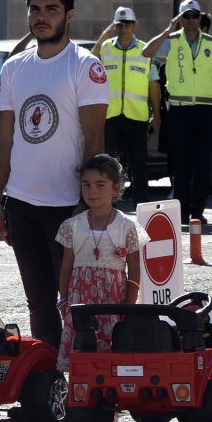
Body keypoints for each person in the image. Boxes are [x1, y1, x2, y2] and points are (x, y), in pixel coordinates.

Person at [0, 0, 110, 348]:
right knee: (38, 303)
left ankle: (85, 389)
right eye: (35, 9)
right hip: (22, 205)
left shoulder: (85, 66)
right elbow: (4, 137)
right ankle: (48, 390)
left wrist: (85, 204)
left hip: (67, 207)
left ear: (68, 15)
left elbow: (94, 141)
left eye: (51, 9)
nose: (42, 16)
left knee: (77, 304)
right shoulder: (14, 67)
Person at [143, 0, 212, 225]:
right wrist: (168, 30)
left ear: (200, 18)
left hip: (205, 110)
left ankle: (197, 211)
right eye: (186, 16)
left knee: (202, 162)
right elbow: (146, 52)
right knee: (180, 163)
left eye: (194, 16)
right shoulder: (171, 41)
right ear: (180, 19)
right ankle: (181, 213)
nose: (191, 20)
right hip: (179, 110)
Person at [56, 153, 141, 370]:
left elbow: (134, 267)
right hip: (80, 300)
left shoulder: (127, 226)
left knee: (111, 354)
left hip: (113, 300)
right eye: (87, 185)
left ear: (116, 188)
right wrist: (64, 299)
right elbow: (67, 265)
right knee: (82, 353)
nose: (92, 191)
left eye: (100, 184)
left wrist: (129, 307)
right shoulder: (72, 225)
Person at [91, 7, 156, 203]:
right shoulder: (106, 47)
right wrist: (104, 36)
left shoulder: (145, 49)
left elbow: (153, 84)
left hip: (136, 116)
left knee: (139, 164)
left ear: (135, 25)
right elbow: (90, 60)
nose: (123, 29)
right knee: (111, 164)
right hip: (111, 116)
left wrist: (157, 116)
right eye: (119, 25)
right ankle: (111, 204)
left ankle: (141, 203)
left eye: (127, 24)